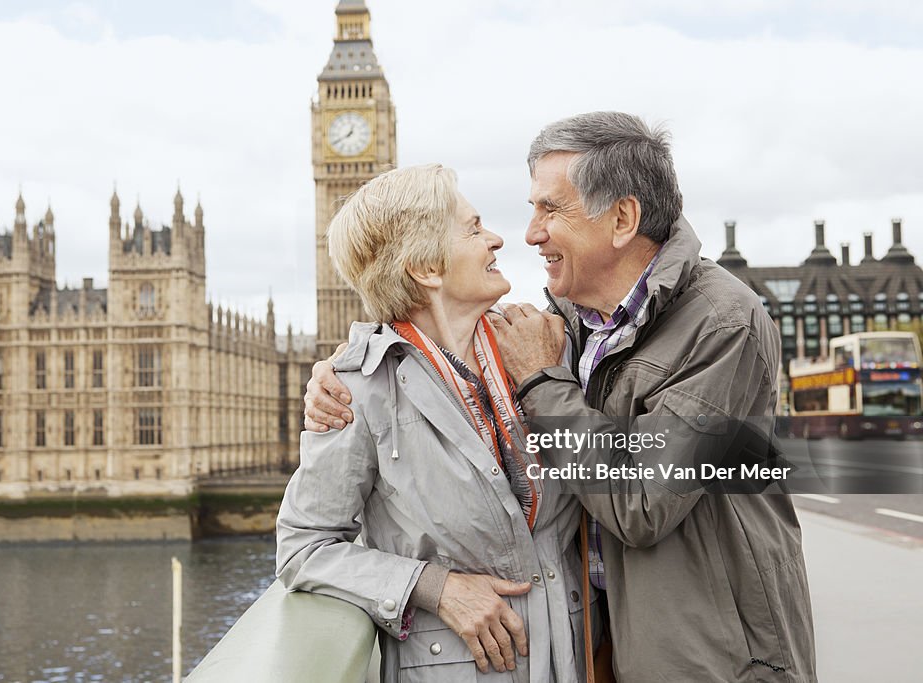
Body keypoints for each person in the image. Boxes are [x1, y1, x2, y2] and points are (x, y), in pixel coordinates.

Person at [305, 112, 817, 682]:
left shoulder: (722, 325)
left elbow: (639, 501)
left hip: (717, 659)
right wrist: (346, 366)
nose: (523, 234)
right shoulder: (569, 324)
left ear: (622, 218)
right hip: (606, 653)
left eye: (550, 209)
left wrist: (543, 383)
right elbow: (420, 345)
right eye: (481, 226)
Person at [276, 164, 596, 683]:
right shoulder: (357, 391)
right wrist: (434, 586)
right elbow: (303, 548)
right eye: (473, 229)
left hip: (572, 659)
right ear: (426, 266)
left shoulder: (543, 344)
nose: (496, 239)